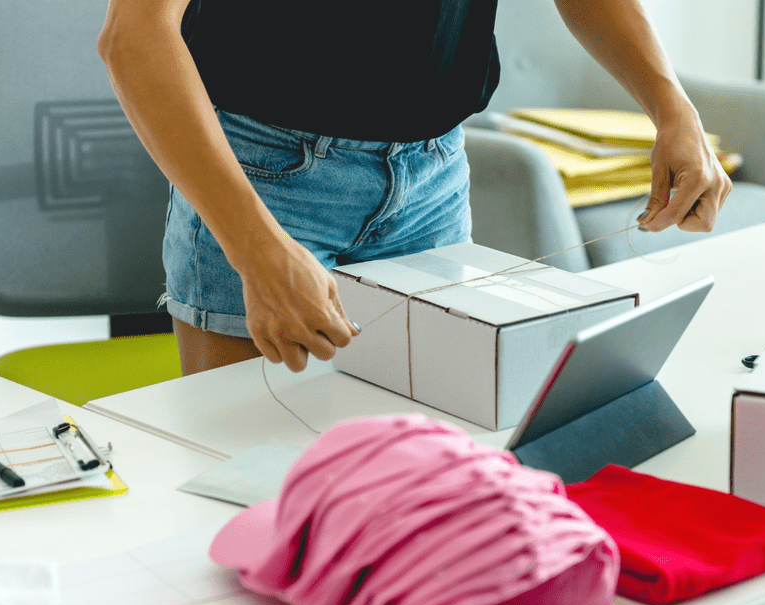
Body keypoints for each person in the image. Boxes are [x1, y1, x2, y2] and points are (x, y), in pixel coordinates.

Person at [97, 0, 731, 376]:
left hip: (433, 178)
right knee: (253, 484)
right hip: (267, 182)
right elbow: (134, 34)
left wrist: (672, 106)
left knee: (422, 479)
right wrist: (256, 250)